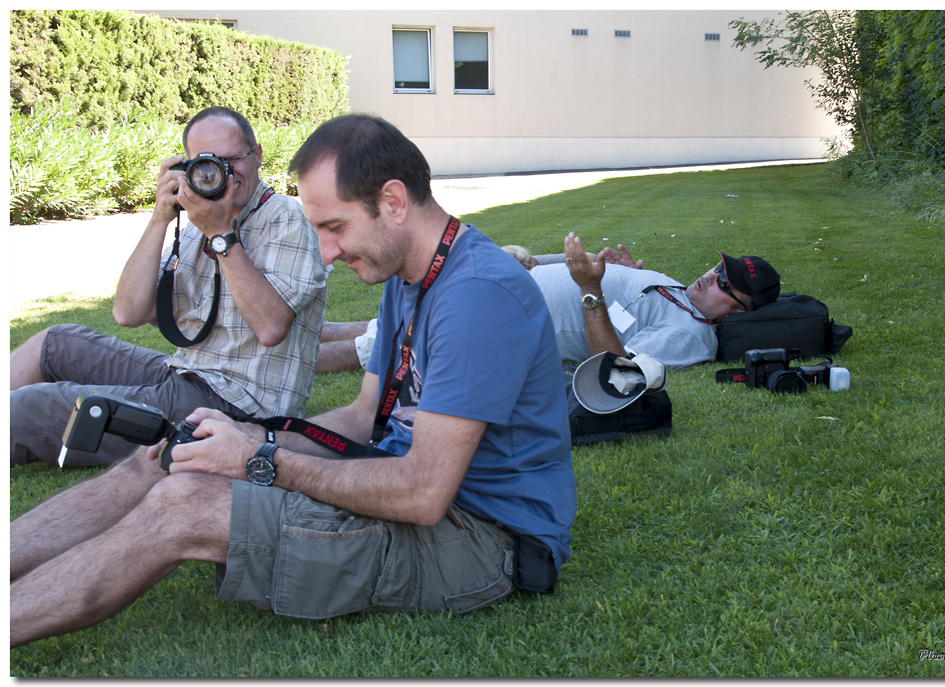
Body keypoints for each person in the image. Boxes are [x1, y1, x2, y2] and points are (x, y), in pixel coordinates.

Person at [10, 113, 576, 647]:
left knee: (183, 504)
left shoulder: (477, 295)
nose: (327, 253)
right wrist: (252, 438)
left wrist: (262, 462)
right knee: (170, 456)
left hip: (482, 538)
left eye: (335, 227)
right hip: (397, 478)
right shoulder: (410, 279)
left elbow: (425, 493)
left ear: (394, 201)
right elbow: (361, 417)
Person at [10, 107, 329, 468]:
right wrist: (160, 217)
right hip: (184, 373)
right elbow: (129, 312)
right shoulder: (197, 223)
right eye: (206, 164)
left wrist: (221, 234)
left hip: (233, 407)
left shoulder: (286, 218)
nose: (221, 173)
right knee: (56, 343)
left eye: (232, 159)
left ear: (256, 156)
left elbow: (271, 327)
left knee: (37, 404)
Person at [317, 239, 780, 372]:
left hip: (506, 317)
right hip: (514, 281)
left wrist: (591, 290)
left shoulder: (691, 334)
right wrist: (617, 270)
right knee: (387, 323)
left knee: (380, 345)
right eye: (719, 268)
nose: (710, 276)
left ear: (737, 312)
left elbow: (616, 370)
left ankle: (277, 356)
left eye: (724, 283)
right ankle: (282, 336)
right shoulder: (684, 294)